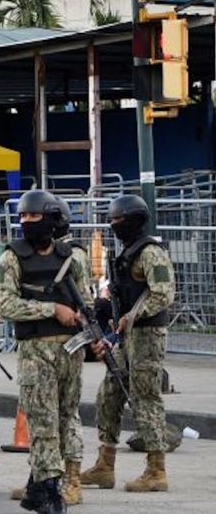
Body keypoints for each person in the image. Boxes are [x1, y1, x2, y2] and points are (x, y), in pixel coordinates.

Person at [0, 190, 93, 514]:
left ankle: (38, 486)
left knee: (67, 418)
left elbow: (86, 300)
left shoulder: (72, 258)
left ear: (51, 219)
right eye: (22, 217)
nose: (26, 222)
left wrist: (88, 326)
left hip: (70, 350)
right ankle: (51, 492)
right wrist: (52, 309)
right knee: (43, 421)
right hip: (36, 351)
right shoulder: (11, 258)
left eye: (33, 217)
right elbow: (5, 305)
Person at [81, 194, 174, 493]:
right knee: (109, 392)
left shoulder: (150, 252)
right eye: (112, 219)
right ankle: (104, 465)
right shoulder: (127, 253)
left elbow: (162, 293)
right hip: (127, 336)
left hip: (147, 335)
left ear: (135, 220)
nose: (114, 224)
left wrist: (132, 316)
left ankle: (156, 470)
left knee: (146, 399)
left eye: (119, 219)